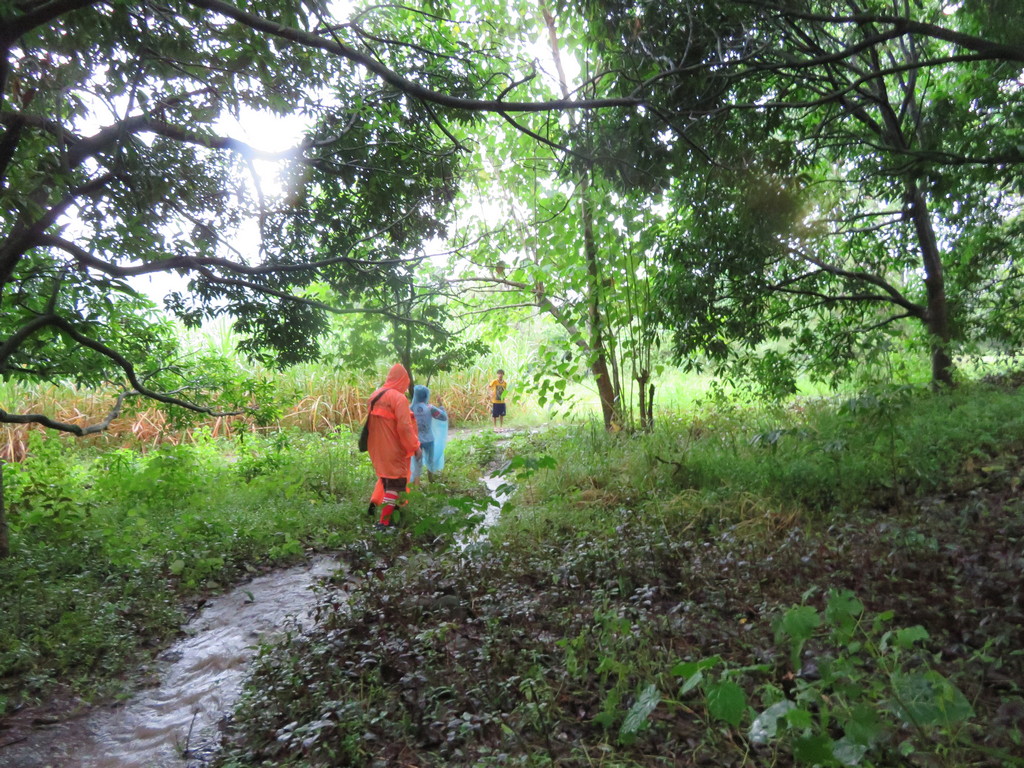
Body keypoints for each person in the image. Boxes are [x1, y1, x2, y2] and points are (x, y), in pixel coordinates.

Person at [365, 363, 420, 528]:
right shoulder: (398, 398)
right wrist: (415, 446)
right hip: (393, 448)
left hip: (376, 447)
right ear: (403, 380)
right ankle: (384, 522)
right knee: (395, 485)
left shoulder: (374, 395)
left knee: (386, 480)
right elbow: (404, 427)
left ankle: (384, 510)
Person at [409, 385, 448, 485]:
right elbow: (443, 417)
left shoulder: (411, 408)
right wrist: (441, 405)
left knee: (417, 462)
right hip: (429, 439)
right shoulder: (429, 408)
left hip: (416, 441)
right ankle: (431, 480)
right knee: (430, 461)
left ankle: (416, 484)